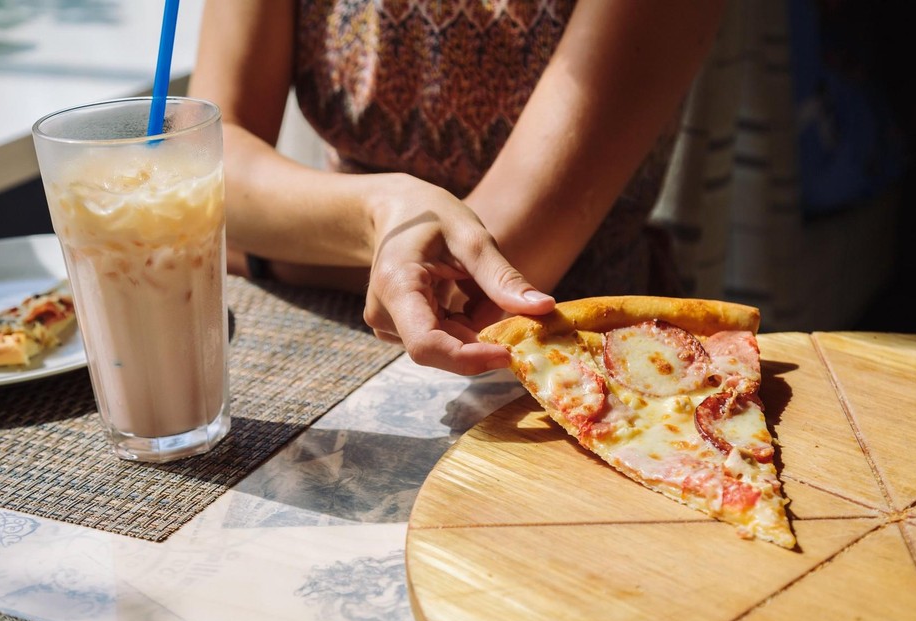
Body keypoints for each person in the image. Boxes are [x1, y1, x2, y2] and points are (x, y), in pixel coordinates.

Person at [188, 0, 726, 375]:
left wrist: (256, 252)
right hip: (315, 339)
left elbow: (495, 264)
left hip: (575, 365)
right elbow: (209, 157)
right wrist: (382, 211)